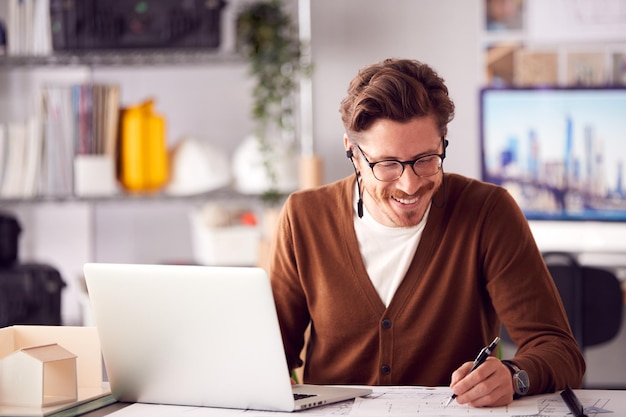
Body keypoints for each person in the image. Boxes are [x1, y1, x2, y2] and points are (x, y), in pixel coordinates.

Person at [268, 58, 585, 407]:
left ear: (443, 141)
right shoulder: (304, 217)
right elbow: (269, 356)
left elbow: (561, 351)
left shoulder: (488, 212)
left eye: (426, 159)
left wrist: (514, 376)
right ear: (353, 153)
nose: (410, 184)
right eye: (387, 164)